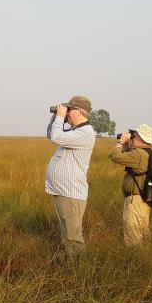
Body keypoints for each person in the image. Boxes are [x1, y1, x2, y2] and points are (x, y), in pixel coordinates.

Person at [45, 96, 96, 257]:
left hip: (71, 194)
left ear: (79, 112)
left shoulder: (85, 133)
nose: (66, 113)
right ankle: (69, 266)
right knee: (67, 237)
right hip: (63, 192)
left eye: (69, 110)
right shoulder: (75, 131)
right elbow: (50, 133)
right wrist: (56, 115)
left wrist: (60, 116)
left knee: (73, 239)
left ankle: (79, 272)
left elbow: (56, 137)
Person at [109, 124, 152, 246]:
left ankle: (136, 260)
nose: (131, 138)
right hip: (144, 199)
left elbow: (114, 156)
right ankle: (145, 258)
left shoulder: (139, 154)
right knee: (142, 232)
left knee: (133, 236)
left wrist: (121, 142)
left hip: (135, 200)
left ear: (141, 139)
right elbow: (128, 157)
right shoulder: (146, 153)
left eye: (134, 136)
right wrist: (127, 145)